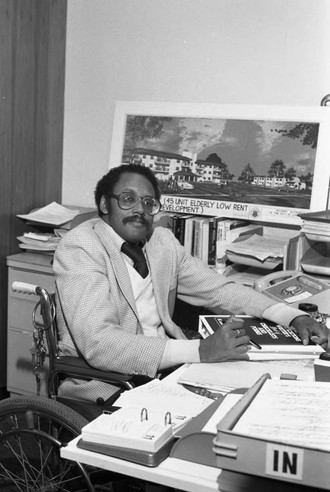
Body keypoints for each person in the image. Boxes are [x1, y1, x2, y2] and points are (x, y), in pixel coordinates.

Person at [53, 163, 329, 402]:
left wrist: (292, 317)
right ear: (104, 204)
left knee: (254, 396)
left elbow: (220, 290)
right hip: (109, 381)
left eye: (149, 203)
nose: (139, 210)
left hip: (165, 368)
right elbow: (99, 343)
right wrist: (201, 350)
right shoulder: (81, 247)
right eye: (128, 199)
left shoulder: (161, 242)